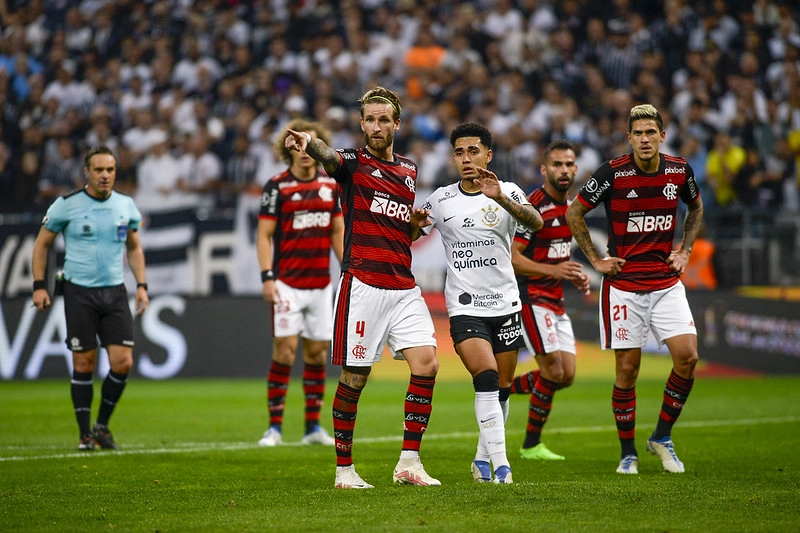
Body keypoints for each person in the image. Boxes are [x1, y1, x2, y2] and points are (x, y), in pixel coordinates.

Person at [284, 86, 439, 489]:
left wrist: (414, 224)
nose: (375, 126)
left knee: (428, 364)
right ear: (361, 124)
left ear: (396, 124)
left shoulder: (408, 170)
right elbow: (328, 155)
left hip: (403, 285)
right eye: (369, 119)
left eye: (383, 119)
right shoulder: (351, 164)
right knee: (355, 378)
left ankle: (409, 462)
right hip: (364, 284)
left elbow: (398, 225)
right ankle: (344, 470)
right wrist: (308, 142)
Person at [565, 104, 703, 475]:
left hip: (665, 282)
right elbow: (573, 213)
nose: (645, 138)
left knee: (687, 357)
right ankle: (628, 452)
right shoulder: (611, 173)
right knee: (628, 371)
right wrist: (595, 260)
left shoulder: (679, 170)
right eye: (638, 133)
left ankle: (662, 436)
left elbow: (696, 206)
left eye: (650, 132)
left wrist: (685, 249)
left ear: (662, 135)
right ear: (629, 138)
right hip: (624, 286)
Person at [417, 122, 544, 484]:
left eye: (473, 151)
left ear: (488, 154)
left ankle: (481, 459)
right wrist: (412, 225)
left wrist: (500, 197)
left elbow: (535, 222)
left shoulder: (509, 191)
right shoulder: (441, 199)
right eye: (459, 152)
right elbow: (412, 232)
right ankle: (502, 466)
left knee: (502, 387)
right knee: (485, 376)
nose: (466, 158)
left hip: (506, 305)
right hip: (465, 306)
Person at [31, 145, 149, 451]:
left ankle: (102, 425)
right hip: (79, 292)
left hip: (114, 292)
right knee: (84, 363)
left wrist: (142, 285)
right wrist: (39, 285)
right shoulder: (66, 205)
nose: (105, 175)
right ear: (87, 172)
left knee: (123, 362)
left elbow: (134, 247)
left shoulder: (125, 205)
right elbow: (42, 245)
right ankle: (85, 434)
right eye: (99, 170)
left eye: (110, 170)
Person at [256, 118, 344, 448]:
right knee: (285, 350)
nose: (305, 150)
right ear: (288, 148)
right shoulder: (277, 186)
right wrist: (268, 277)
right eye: (298, 144)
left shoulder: (331, 185)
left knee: (317, 353)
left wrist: (346, 267)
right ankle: (274, 427)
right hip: (288, 283)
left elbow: (337, 230)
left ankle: (311, 427)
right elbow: (263, 236)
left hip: (320, 284)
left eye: (311, 144)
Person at [509, 140, 591, 461]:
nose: (564, 170)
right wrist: (554, 270)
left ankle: (502, 387)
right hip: (532, 297)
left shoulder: (571, 208)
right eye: (557, 164)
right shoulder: (533, 208)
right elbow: (513, 258)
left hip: (555, 300)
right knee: (553, 371)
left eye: (569, 164)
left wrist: (573, 274)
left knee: (566, 375)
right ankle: (531, 444)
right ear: (544, 170)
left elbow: (558, 257)